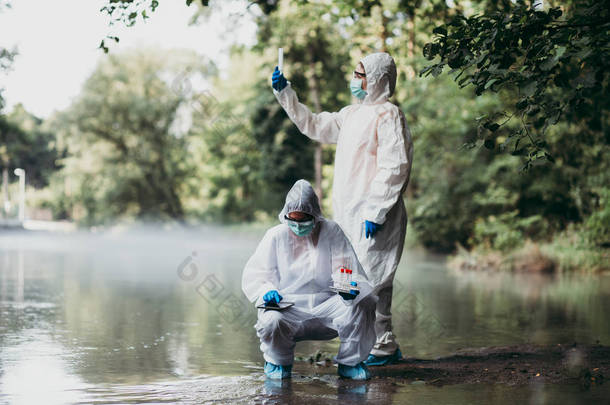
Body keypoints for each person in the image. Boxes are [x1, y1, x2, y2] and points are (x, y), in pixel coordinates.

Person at [271, 52, 413, 366]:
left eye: (360, 74)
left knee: (374, 279)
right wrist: (286, 94)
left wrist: (376, 211)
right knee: (348, 277)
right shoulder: (351, 115)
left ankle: (382, 346)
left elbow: (395, 166)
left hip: (377, 212)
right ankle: (369, 344)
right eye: (355, 73)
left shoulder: (389, 115)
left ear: (377, 79)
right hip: (348, 212)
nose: (355, 79)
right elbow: (313, 125)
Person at [242, 179, 377, 380]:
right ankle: (278, 363)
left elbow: (345, 267)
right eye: (293, 220)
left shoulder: (332, 231)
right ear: (285, 215)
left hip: (329, 304)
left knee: (365, 299)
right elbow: (258, 274)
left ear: (315, 215)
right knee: (270, 318)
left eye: (303, 220)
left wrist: (347, 286)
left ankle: (350, 362)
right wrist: (266, 291)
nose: (298, 226)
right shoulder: (275, 236)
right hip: (290, 307)